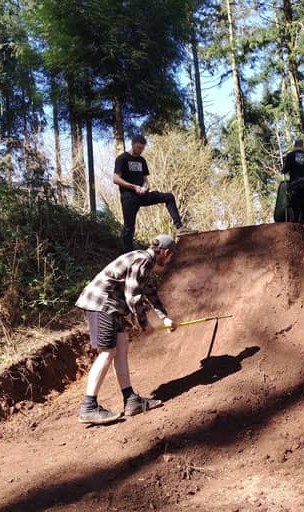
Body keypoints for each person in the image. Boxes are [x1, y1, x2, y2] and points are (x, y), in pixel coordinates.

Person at [75, 234, 180, 425]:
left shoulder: (143, 261)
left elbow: (149, 292)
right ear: (166, 252)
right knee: (108, 351)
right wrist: (144, 323)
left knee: (121, 346)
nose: (170, 259)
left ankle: (131, 400)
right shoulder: (143, 260)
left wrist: (164, 317)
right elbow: (133, 296)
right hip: (102, 303)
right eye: (171, 255)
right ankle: (88, 407)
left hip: (111, 307)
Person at [114, 135, 197, 252]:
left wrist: (145, 186)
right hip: (129, 198)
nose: (140, 150)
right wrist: (134, 187)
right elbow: (116, 179)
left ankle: (180, 227)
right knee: (129, 227)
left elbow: (145, 179)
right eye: (138, 147)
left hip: (143, 195)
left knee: (168, 197)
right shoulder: (122, 159)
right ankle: (128, 253)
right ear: (132, 144)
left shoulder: (141, 160)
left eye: (142, 148)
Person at [281, 139, 304, 225]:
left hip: (294, 185)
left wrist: (283, 169)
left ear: (294, 146)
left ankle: (294, 225)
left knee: (293, 205)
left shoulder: (290, 156)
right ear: (303, 146)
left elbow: (285, 169)